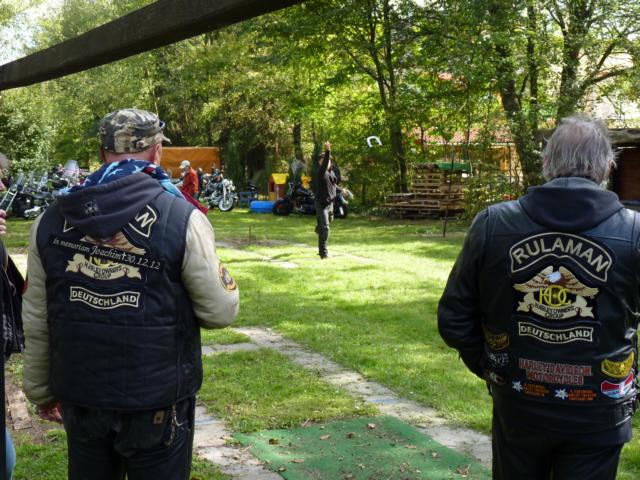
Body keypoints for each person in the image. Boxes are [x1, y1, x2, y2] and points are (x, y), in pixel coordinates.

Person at [22, 108, 239, 480]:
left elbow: (37, 318)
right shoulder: (181, 216)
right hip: (156, 401)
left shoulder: (50, 220)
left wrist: (40, 391)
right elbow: (220, 312)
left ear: (102, 153)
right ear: (157, 151)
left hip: (82, 396)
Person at [438, 115, 638, 480]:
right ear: (608, 166)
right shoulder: (634, 231)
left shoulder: (493, 223)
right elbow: (453, 318)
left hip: (519, 404)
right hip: (599, 409)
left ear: (547, 162)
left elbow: (454, 318)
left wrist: (494, 368)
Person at [315, 141, 337, 259]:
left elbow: (333, 185)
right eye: (324, 161)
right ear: (320, 163)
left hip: (330, 204)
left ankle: (319, 227)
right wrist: (328, 150)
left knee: (326, 224)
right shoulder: (321, 172)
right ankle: (324, 253)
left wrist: (342, 190)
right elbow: (325, 163)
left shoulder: (331, 173)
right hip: (321, 204)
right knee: (326, 228)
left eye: (328, 160)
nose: (327, 162)